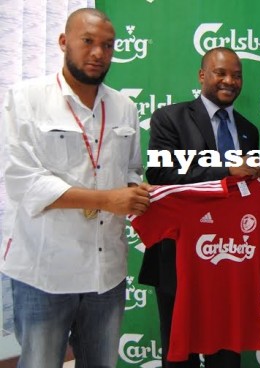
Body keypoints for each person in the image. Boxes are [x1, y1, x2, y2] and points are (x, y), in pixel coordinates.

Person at [0, 8, 152, 368]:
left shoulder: (125, 106)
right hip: (44, 274)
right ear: (64, 41)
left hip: (106, 274)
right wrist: (107, 199)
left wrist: (135, 191)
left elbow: (130, 167)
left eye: (108, 46)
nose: (98, 53)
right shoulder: (25, 98)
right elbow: (24, 181)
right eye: (88, 42)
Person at [138, 47, 260, 368]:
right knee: (180, 356)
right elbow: (162, 175)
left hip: (229, 260)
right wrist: (227, 169)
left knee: (227, 355)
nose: (230, 81)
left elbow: (248, 188)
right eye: (221, 73)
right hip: (178, 259)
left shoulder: (249, 129)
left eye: (237, 75)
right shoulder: (170, 118)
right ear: (202, 75)